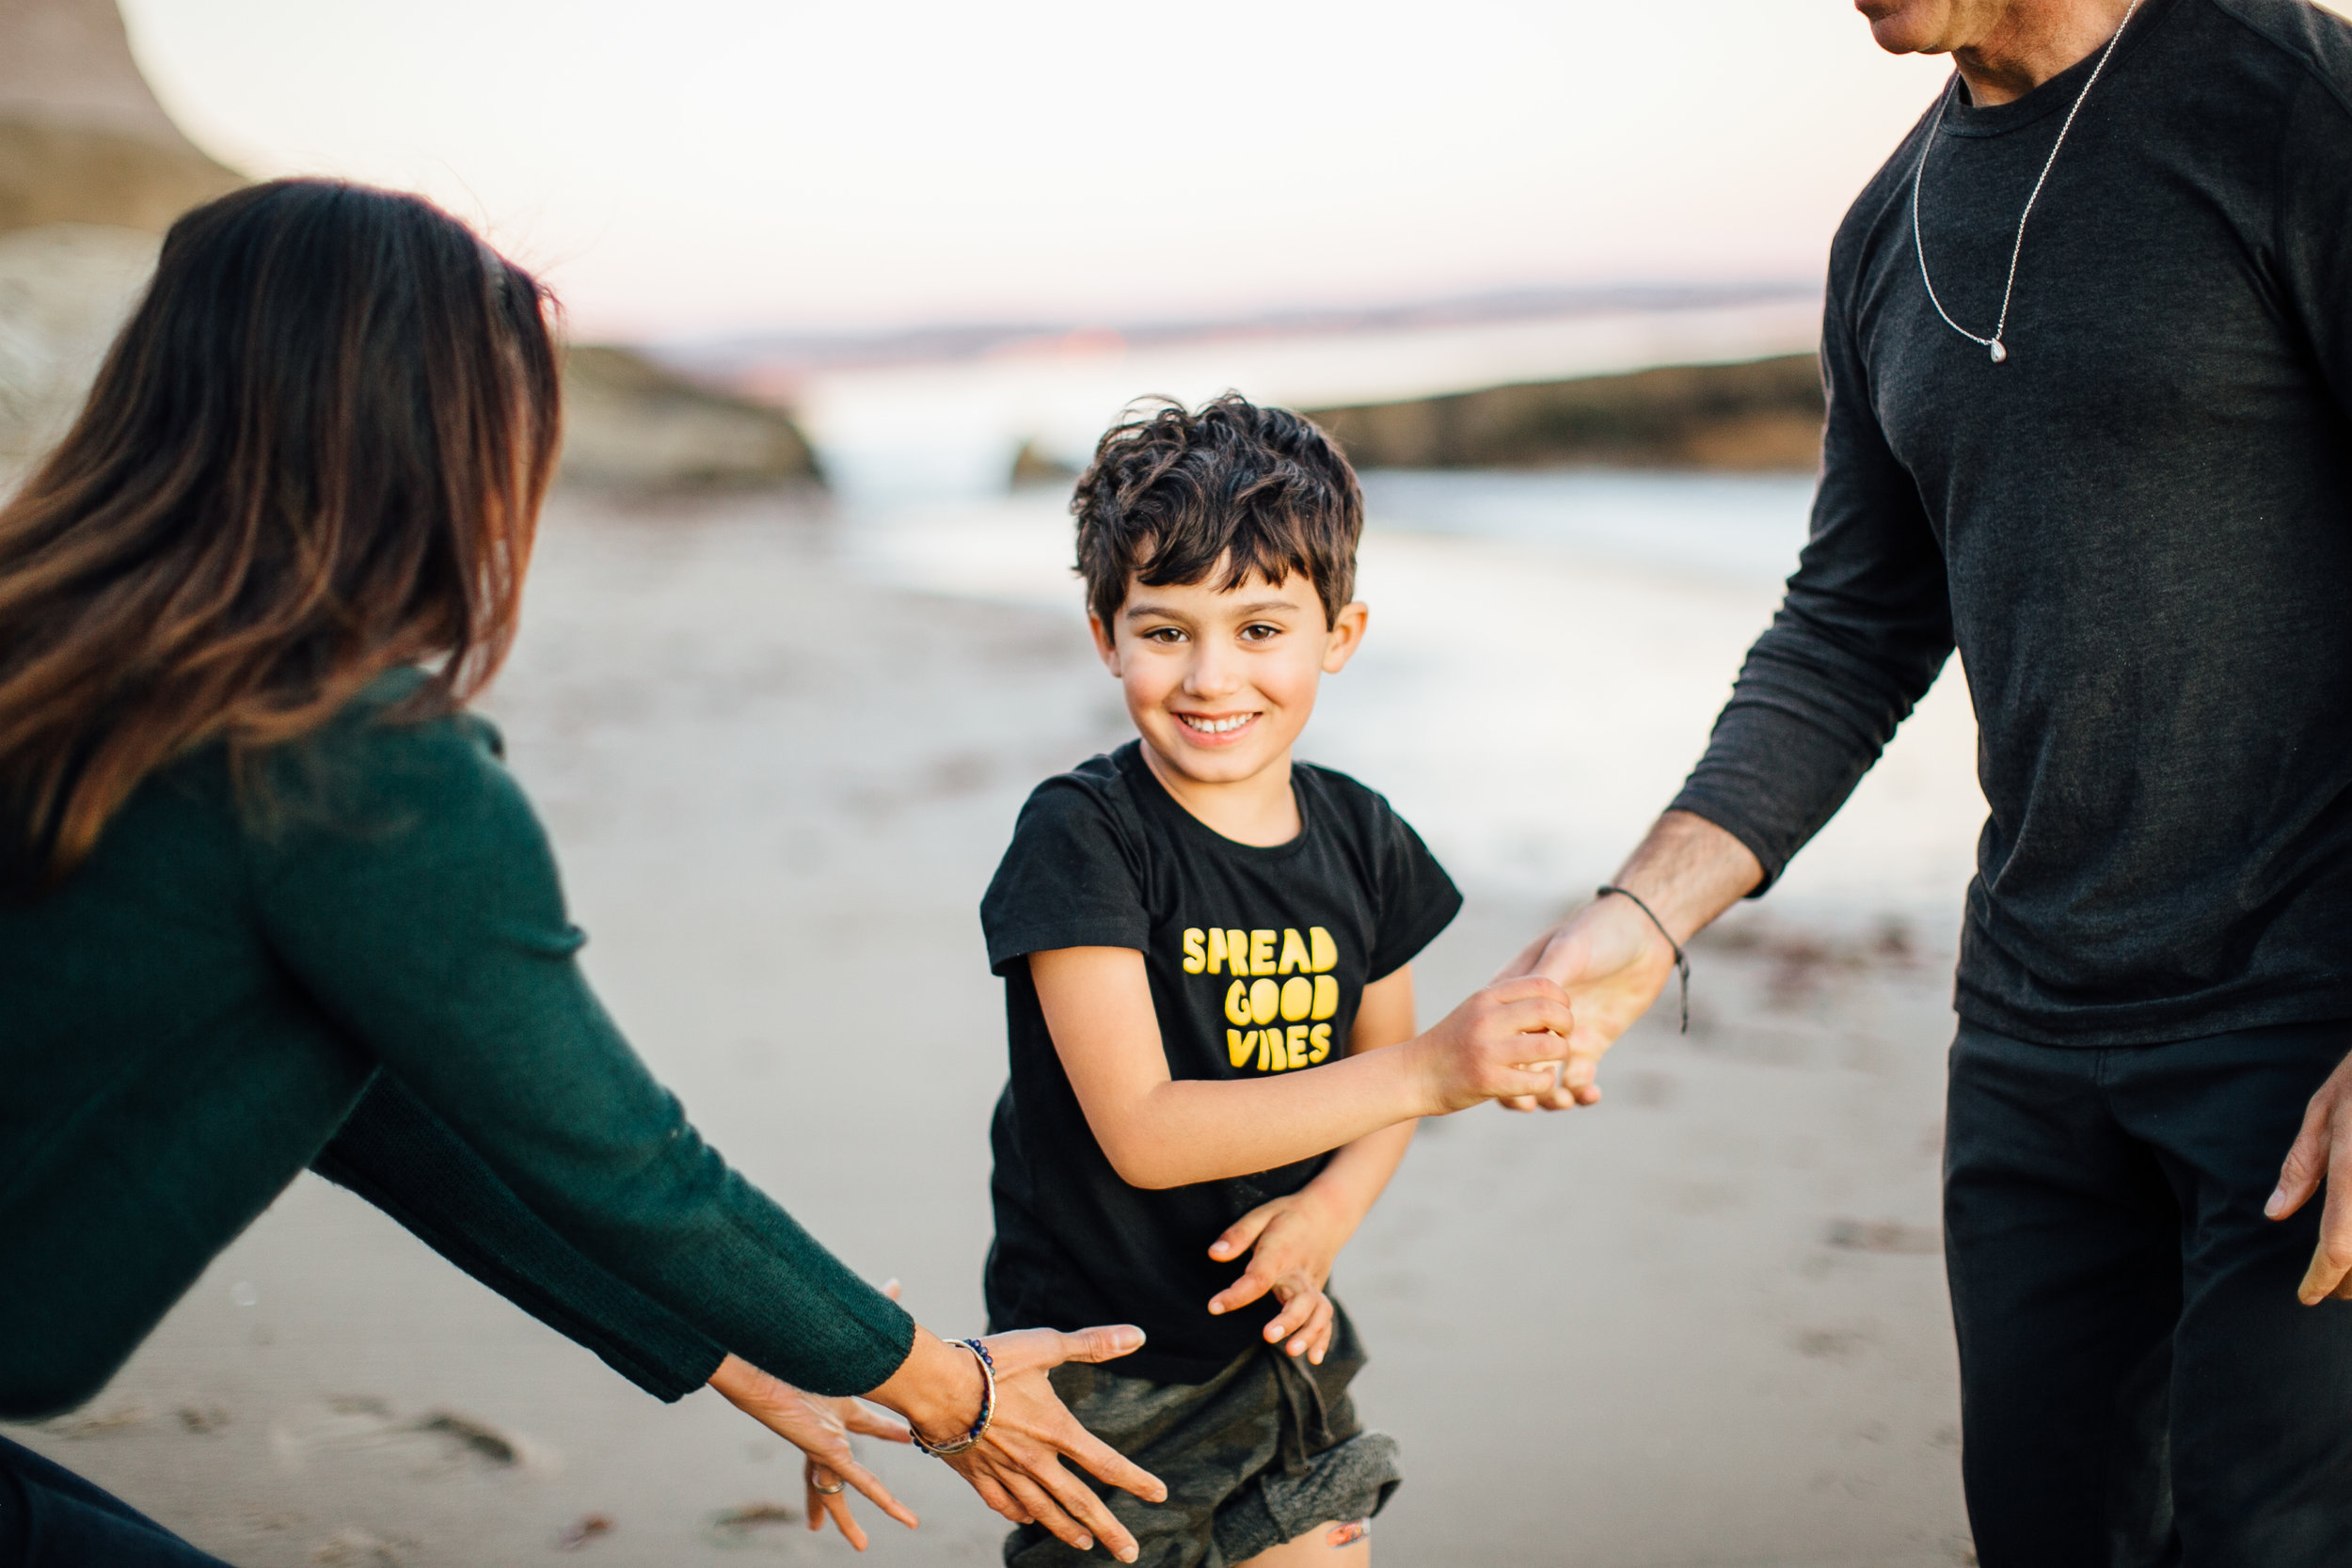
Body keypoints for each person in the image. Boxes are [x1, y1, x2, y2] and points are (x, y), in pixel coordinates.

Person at [0, 179, 1169, 1567]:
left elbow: (386, 1108)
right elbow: (622, 1159)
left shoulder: (77, 671)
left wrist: (737, 1342)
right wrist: (946, 1386)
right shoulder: (344, 765)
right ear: (423, 442)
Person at [1499, 0, 2352, 1562]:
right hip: (2035, 1042)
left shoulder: (2286, 94)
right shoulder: (1885, 231)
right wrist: (1643, 916)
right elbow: (1849, 628)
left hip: (2302, 1026)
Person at [977, 394, 1576, 1567]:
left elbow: (1381, 1086)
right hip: (1107, 1377)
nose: (1210, 677)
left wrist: (1326, 1216)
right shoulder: (1085, 837)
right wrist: (1437, 1067)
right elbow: (1144, 1131)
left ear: (1338, 633)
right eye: (1165, 631)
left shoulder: (1362, 837)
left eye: (1260, 629)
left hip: (1287, 1344)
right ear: (1105, 633)